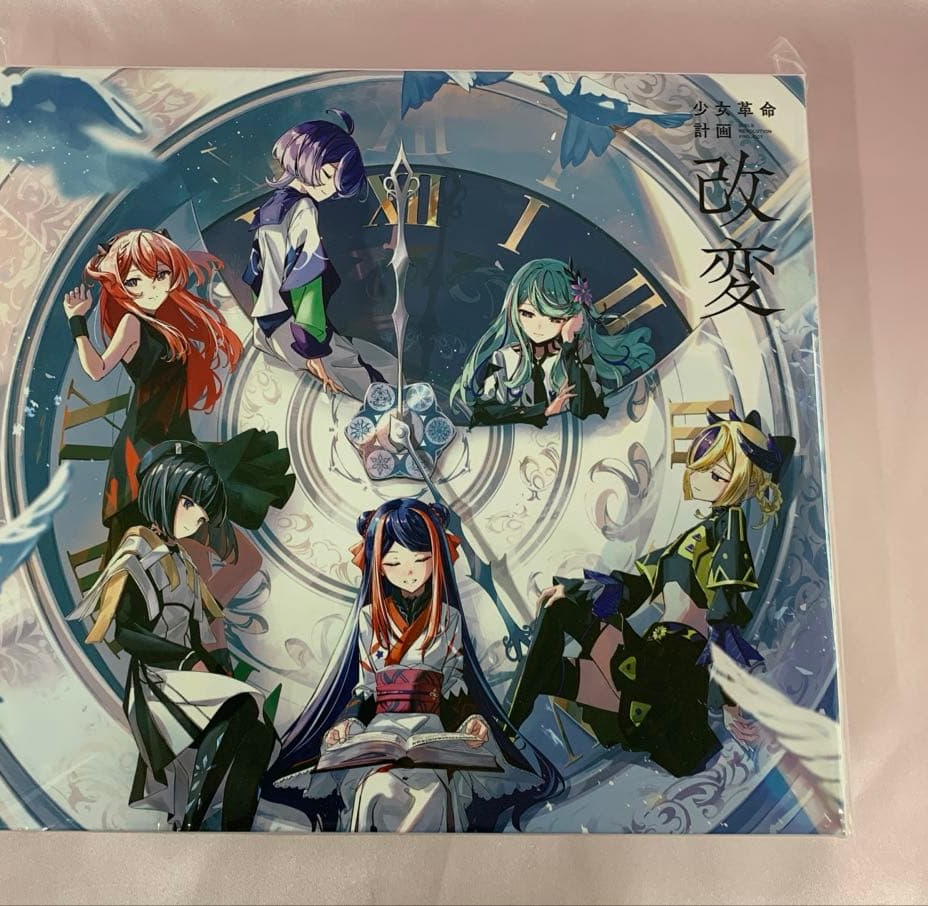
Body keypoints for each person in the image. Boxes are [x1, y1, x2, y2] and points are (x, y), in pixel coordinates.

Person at [506, 410, 795, 776]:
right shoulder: (695, 535)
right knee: (549, 659)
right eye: (703, 465)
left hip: (671, 663)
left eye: (716, 473)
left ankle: (503, 729)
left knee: (559, 618)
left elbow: (724, 618)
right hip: (650, 660)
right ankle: (502, 734)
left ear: (744, 483)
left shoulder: (729, 532)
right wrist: (579, 589)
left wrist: (728, 703)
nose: (699, 475)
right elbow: (635, 586)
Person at [268, 498, 560, 832]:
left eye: (421, 559)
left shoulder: (448, 618)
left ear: (437, 559)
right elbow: (365, 686)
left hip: (431, 732)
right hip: (380, 733)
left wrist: (471, 719)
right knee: (377, 788)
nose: (408, 571)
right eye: (394, 562)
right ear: (379, 566)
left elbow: (454, 682)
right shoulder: (369, 619)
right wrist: (347, 723)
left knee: (432, 790)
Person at [67, 431, 295, 830]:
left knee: (260, 735)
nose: (197, 519)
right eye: (190, 505)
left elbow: (199, 627)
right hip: (157, 682)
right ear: (165, 493)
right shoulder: (136, 554)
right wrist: (189, 661)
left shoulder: (184, 562)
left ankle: (235, 832)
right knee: (240, 708)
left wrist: (214, 664)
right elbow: (127, 633)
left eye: (203, 514)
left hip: (187, 676)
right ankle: (192, 823)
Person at [62, 228, 242, 563]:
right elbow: (97, 369)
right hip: (145, 444)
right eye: (135, 281)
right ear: (121, 285)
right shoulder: (132, 323)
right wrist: (77, 322)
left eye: (160, 275)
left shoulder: (165, 319)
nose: (152, 288)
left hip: (174, 435)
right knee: (139, 539)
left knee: (196, 521)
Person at [242, 108, 396, 399]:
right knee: (369, 388)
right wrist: (311, 348)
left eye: (336, 184)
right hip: (294, 330)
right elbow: (305, 281)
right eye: (328, 175)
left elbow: (258, 276)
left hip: (270, 323)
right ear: (307, 159)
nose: (329, 190)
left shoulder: (271, 209)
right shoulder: (303, 210)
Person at [450, 258, 655, 427]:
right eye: (527, 313)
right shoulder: (504, 358)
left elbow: (588, 411)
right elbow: (482, 414)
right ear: (513, 310)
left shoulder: (576, 357)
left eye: (554, 319)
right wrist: (544, 412)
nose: (538, 327)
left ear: (573, 317)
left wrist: (569, 341)